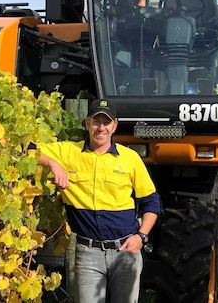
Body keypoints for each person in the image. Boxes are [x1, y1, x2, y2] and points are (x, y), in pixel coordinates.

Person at [35, 99, 161, 303]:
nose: (101, 128)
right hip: (88, 254)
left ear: (114, 126)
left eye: (106, 122)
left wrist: (141, 236)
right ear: (87, 124)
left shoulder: (130, 158)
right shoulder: (68, 152)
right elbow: (27, 149)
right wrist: (53, 164)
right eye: (96, 122)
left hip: (126, 251)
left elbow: (151, 201)